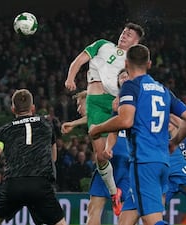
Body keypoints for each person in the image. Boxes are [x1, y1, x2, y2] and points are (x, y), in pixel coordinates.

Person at [89, 44, 186, 225]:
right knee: (126, 220)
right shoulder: (163, 89)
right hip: (163, 162)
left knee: (152, 220)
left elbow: (125, 121)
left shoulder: (131, 87)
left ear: (126, 62)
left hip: (143, 162)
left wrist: (97, 129)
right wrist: (175, 141)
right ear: (149, 63)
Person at [65, 22, 145, 215]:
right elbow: (79, 60)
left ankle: (128, 189)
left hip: (113, 103)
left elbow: (136, 84)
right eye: (124, 31)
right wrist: (70, 77)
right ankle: (113, 193)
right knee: (100, 156)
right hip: (93, 102)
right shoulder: (103, 45)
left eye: (130, 34)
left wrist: (124, 97)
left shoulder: (131, 60)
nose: (124, 35)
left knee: (115, 150)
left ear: (136, 42)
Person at [61, 69, 131, 224]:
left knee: (94, 209)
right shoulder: (119, 104)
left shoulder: (103, 102)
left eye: (80, 104)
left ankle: (114, 193)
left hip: (108, 156)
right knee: (125, 210)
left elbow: (90, 115)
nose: (78, 109)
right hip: (126, 157)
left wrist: (72, 123)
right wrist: (73, 123)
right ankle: (116, 194)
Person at [0, 89, 66, 225]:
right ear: (33, 108)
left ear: (13, 109)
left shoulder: (3, 131)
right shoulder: (47, 125)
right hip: (40, 184)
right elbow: (54, 158)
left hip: (14, 185)